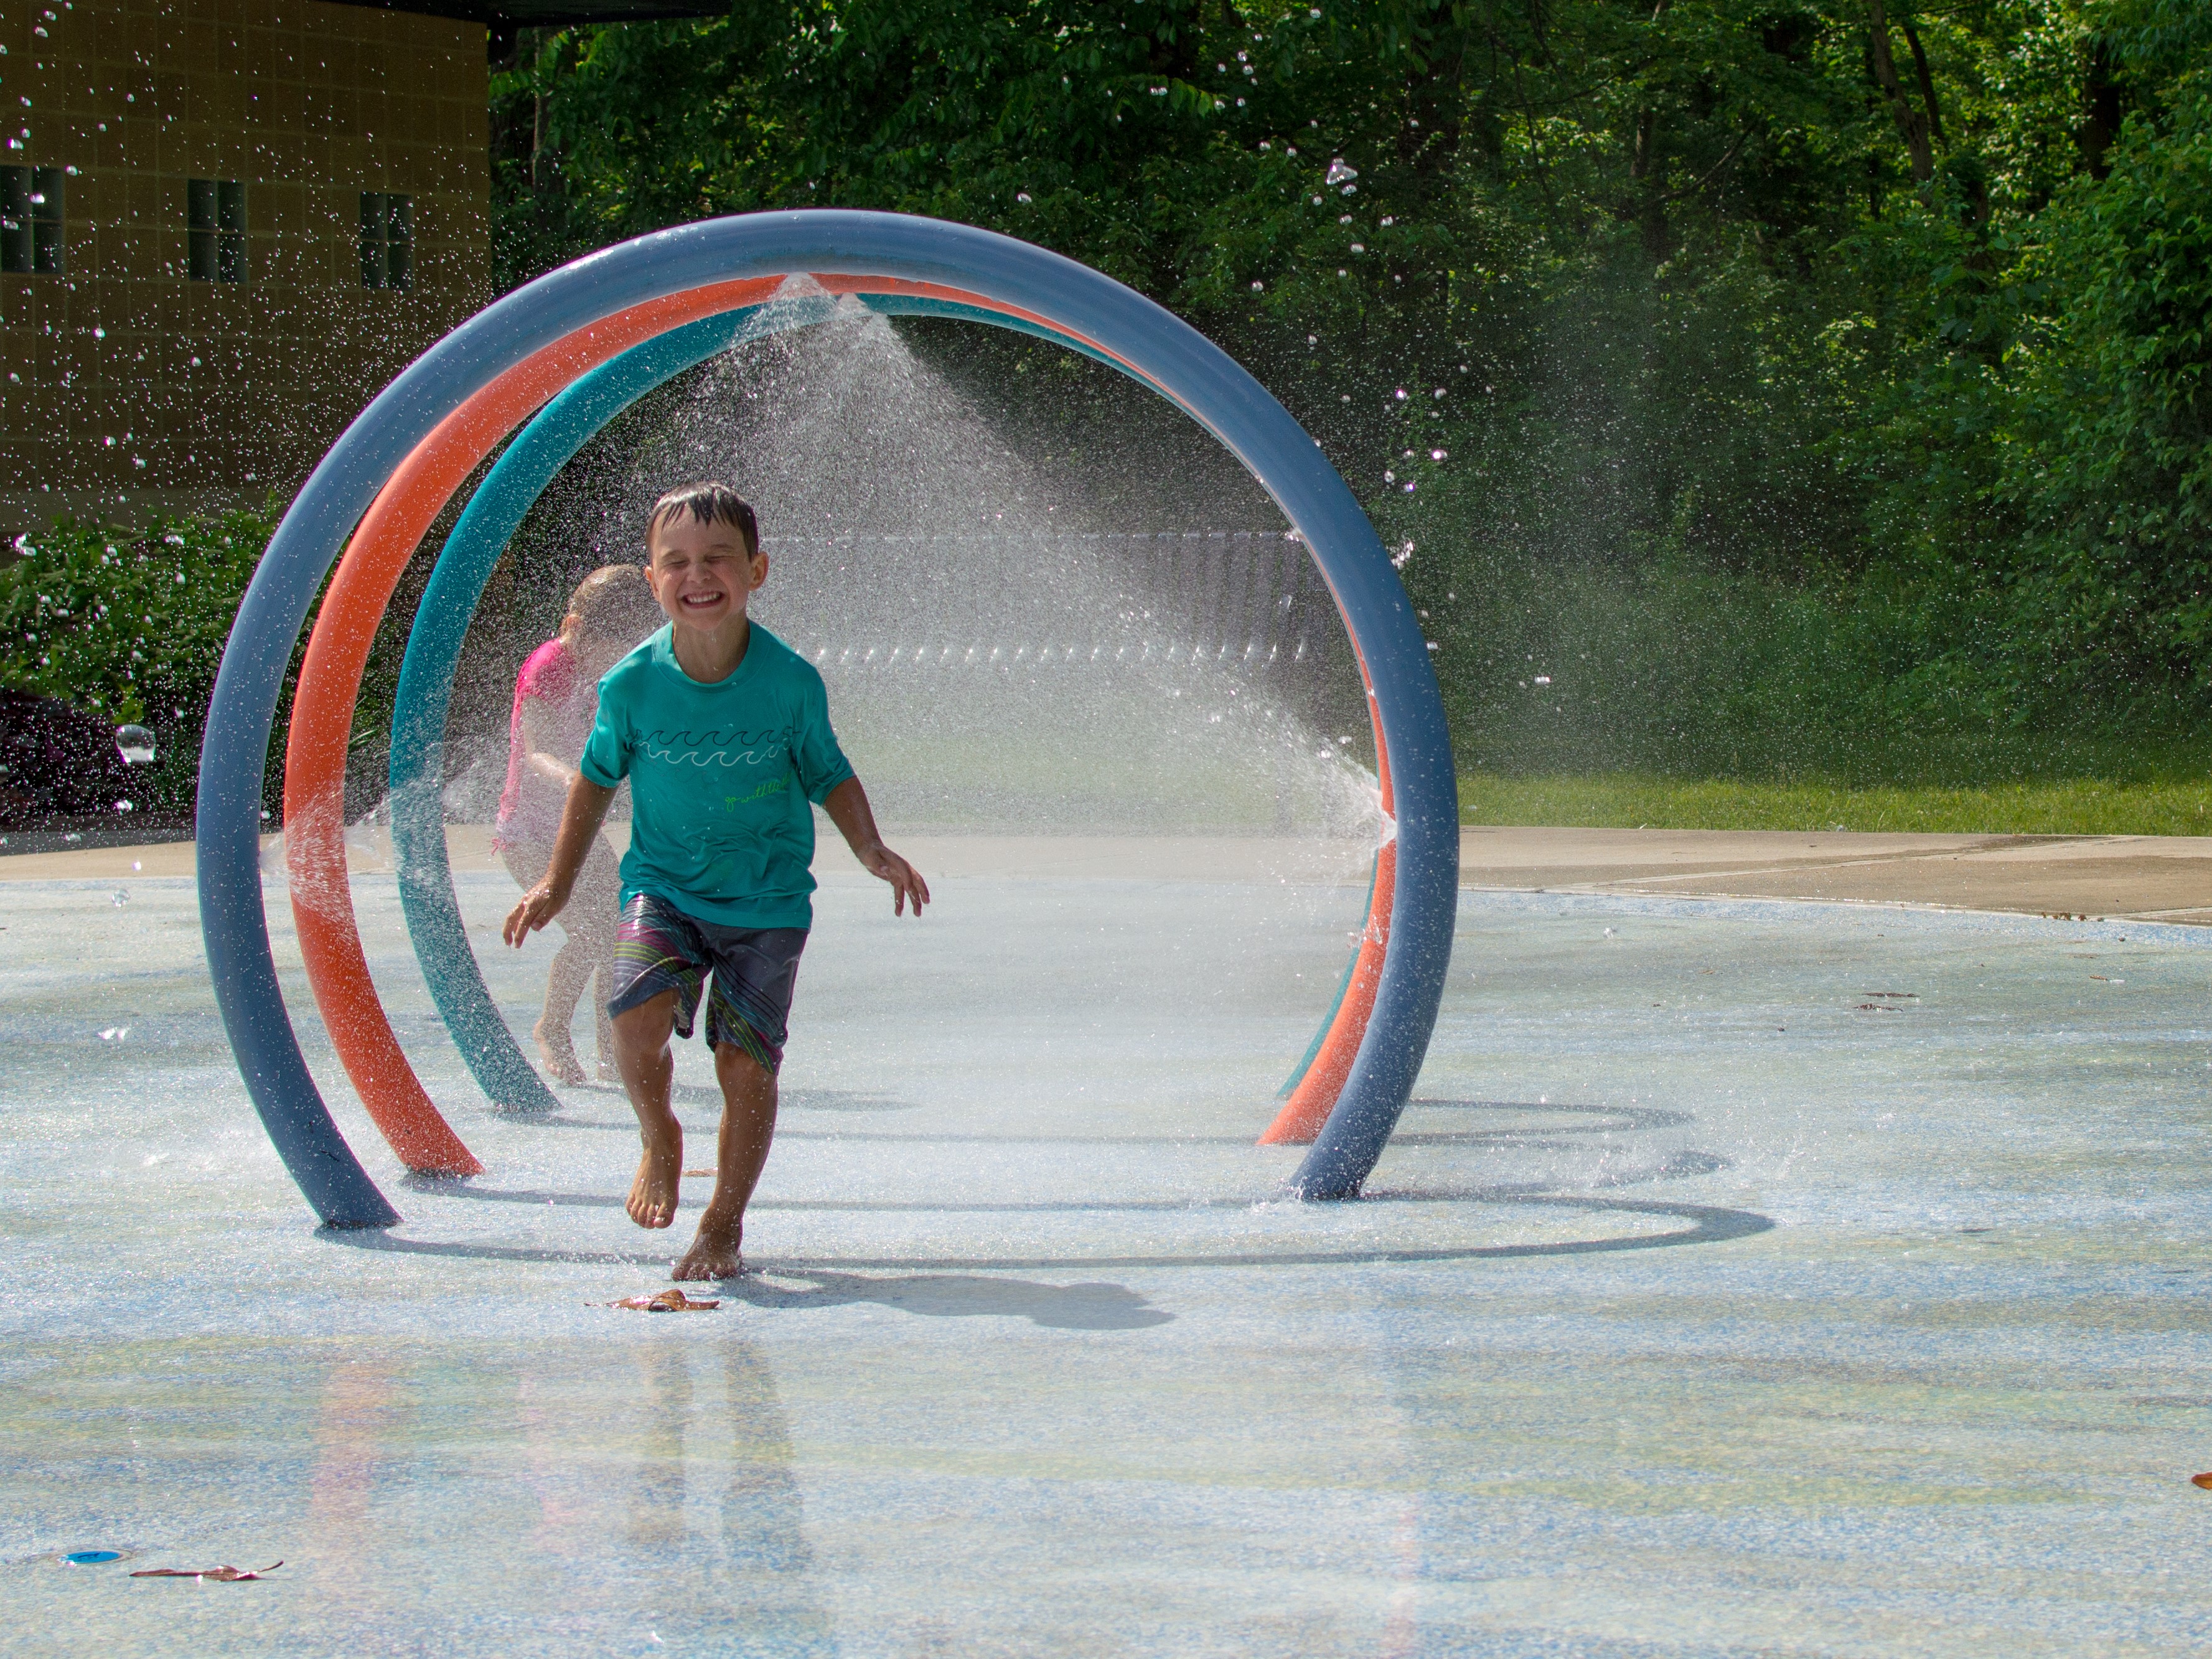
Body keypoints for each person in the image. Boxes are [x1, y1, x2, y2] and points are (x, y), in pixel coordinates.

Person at [502, 481, 929, 1280]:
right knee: (633, 1018)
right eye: (677, 563)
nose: (698, 576)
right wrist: (557, 883)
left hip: (765, 903)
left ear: (755, 570)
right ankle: (659, 1134)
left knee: (745, 1064)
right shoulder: (630, 684)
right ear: (653, 578)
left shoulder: (788, 682)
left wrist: (870, 848)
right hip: (661, 886)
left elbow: (828, 772)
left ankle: (724, 1224)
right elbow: (595, 780)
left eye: (717, 559)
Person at [494, 564, 662, 1084]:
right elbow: (536, 749)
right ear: (574, 623)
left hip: (576, 827)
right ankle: (552, 1026)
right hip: (528, 831)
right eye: (607, 647)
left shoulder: (598, 673)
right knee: (593, 932)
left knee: (617, 931)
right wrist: (579, 782)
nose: (613, 659)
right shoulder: (549, 663)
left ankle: (612, 1055)